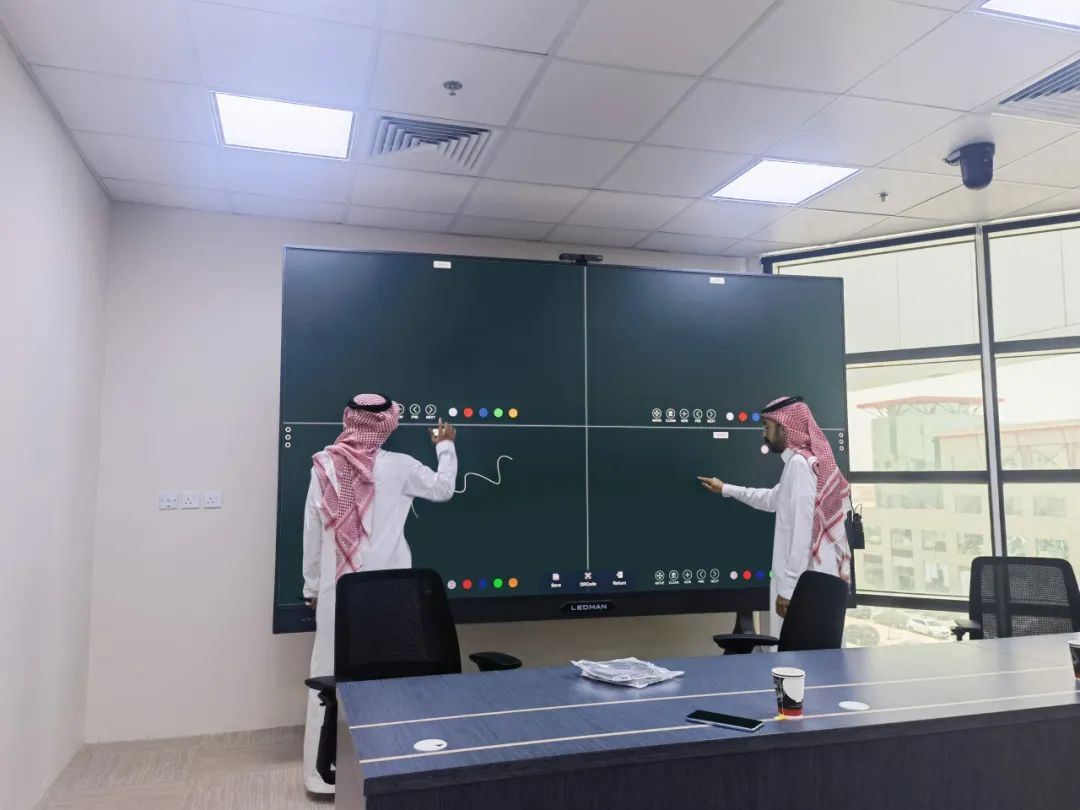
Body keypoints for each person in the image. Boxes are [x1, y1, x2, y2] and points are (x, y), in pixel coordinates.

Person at [301, 393, 458, 795]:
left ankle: (320, 778)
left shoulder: (324, 467)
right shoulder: (400, 467)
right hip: (394, 594)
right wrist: (445, 445)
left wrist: (311, 587)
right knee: (392, 679)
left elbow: (313, 536)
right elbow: (443, 489)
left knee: (328, 681)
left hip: (337, 592)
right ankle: (390, 768)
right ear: (387, 425)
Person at [698, 395, 850, 637]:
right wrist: (725, 488)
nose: (764, 435)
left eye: (767, 427)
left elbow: (803, 531)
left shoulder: (800, 465)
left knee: (798, 654)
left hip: (805, 584)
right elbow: (772, 499)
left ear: (785, 426)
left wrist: (789, 589)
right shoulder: (802, 464)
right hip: (812, 581)